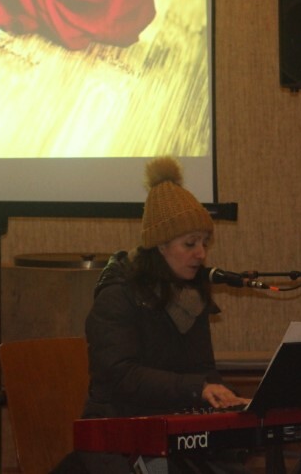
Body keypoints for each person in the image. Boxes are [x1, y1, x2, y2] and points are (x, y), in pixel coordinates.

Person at [61, 156, 250, 473]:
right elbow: (121, 376)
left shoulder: (192, 296)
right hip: (117, 439)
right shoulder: (117, 295)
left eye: (204, 243)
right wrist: (197, 387)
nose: (201, 253)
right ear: (160, 246)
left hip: (172, 432)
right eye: (190, 244)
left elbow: (203, 370)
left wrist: (228, 399)